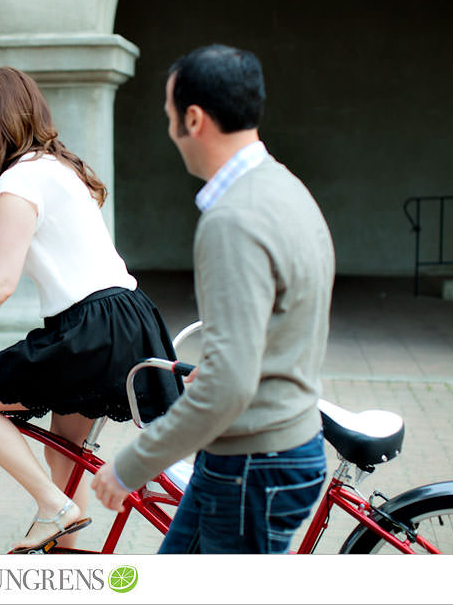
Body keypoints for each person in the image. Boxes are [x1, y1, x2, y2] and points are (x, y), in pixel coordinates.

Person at [0, 66, 181, 554]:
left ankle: (56, 510)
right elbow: (21, 255)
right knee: (64, 457)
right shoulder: (53, 166)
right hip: (127, 316)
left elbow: (6, 283)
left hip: (91, 327)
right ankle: (64, 544)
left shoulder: (19, 178)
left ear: (7, 115)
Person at [91, 44, 336, 554]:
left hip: (250, 467)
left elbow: (227, 387)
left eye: (169, 116)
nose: (168, 130)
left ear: (194, 119)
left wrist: (132, 464)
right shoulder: (284, 188)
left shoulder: (233, 219)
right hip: (264, 453)